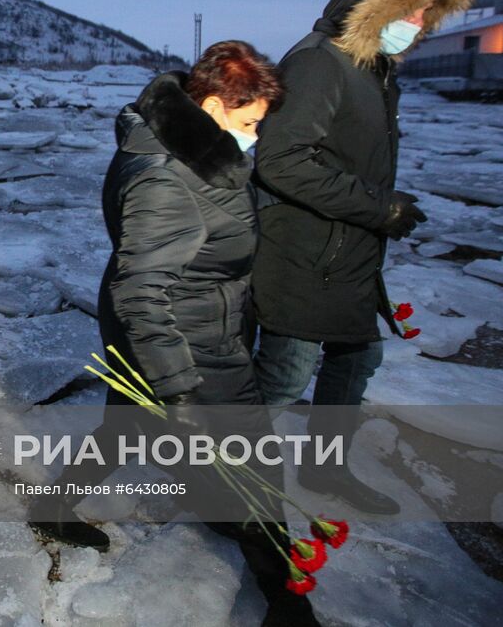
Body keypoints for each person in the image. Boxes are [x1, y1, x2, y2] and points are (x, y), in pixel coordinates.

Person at [31, 44, 318, 625]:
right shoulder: (168, 176)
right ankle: (288, 603)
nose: (255, 137)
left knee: (126, 423)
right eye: (249, 124)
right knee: (257, 466)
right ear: (212, 106)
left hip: (180, 325)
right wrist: (179, 388)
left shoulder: (191, 148)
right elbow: (140, 291)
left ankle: (52, 504)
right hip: (185, 341)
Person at [251, 0, 482, 515]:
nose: (418, 24)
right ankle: (216, 475)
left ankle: (326, 472)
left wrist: (376, 213)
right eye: (409, 10)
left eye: (426, 13)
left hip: (349, 254)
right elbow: (281, 161)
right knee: (282, 378)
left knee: (356, 360)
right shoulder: (318, 62)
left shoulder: (372, 67)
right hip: (302, 256)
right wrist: (379, 208)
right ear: (372, 2)